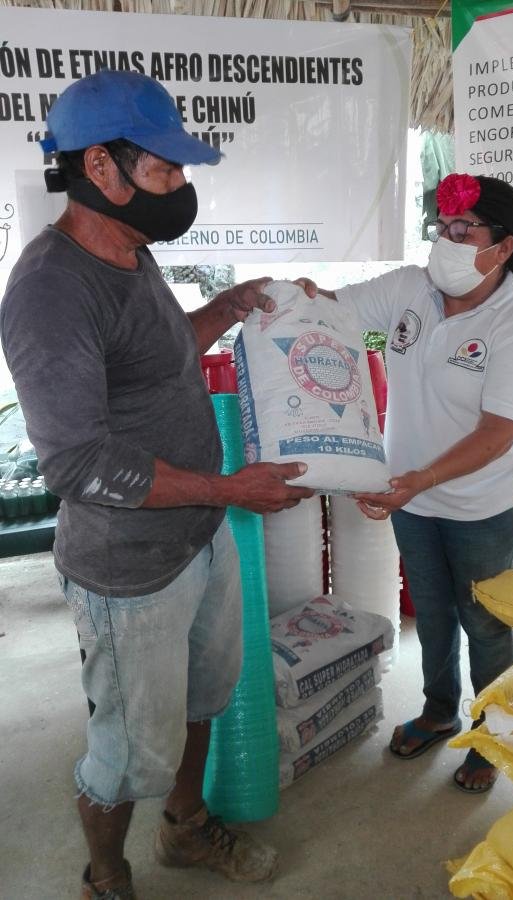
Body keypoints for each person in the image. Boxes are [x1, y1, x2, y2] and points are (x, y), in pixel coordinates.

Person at [0, 70, 314, 900]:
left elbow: (157, 352)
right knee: (128, 755)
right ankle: (106, 875)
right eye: (166, 169)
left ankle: (185, 828)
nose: (180, 185)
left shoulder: (130, 250)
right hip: (128, 570)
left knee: (203, 700)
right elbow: (79, 464)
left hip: (197, 534)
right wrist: (231, 490)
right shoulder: (50, 292)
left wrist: (231, 306)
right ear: (100, 167)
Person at [301, 172, 513, 794]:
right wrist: (291, 297)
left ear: (503, 247)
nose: (447, 241)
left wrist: (420, 479)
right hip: (411, 497)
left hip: (482, 504)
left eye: (464, 231)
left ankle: (492, 733)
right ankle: (440, 711)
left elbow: (497, 433)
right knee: (433, 615)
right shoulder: (411, 288)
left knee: (484, 622)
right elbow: (331, 309)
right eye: (441, 228)